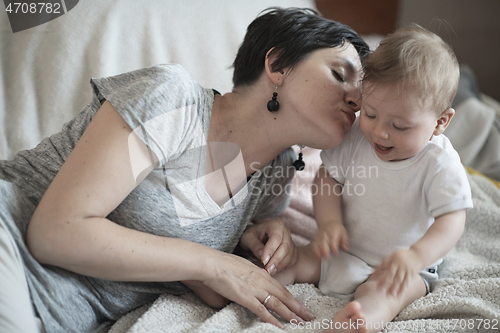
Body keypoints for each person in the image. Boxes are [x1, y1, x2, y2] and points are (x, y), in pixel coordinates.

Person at [0, 7, 370, 332]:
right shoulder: (173, 100)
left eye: (361, 91)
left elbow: (199, 241)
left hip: (55, 317)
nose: (356, 99)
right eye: (341, 75)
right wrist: (213, 263)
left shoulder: (276, 174)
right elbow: (56, 232)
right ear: (277, 66)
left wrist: (256, 234)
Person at [274, 24, 473, 332]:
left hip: (399, 270)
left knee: (384, 295)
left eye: (400, 126)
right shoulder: (356, 137)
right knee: (298, 260)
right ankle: (258, 283)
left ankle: (360, 321)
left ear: (440, 122)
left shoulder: (439, 164)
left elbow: (453, 220)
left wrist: (415, 257)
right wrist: (328, 223)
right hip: (342, 251)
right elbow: (327, 177)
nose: (379, 132)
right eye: (370, 113)